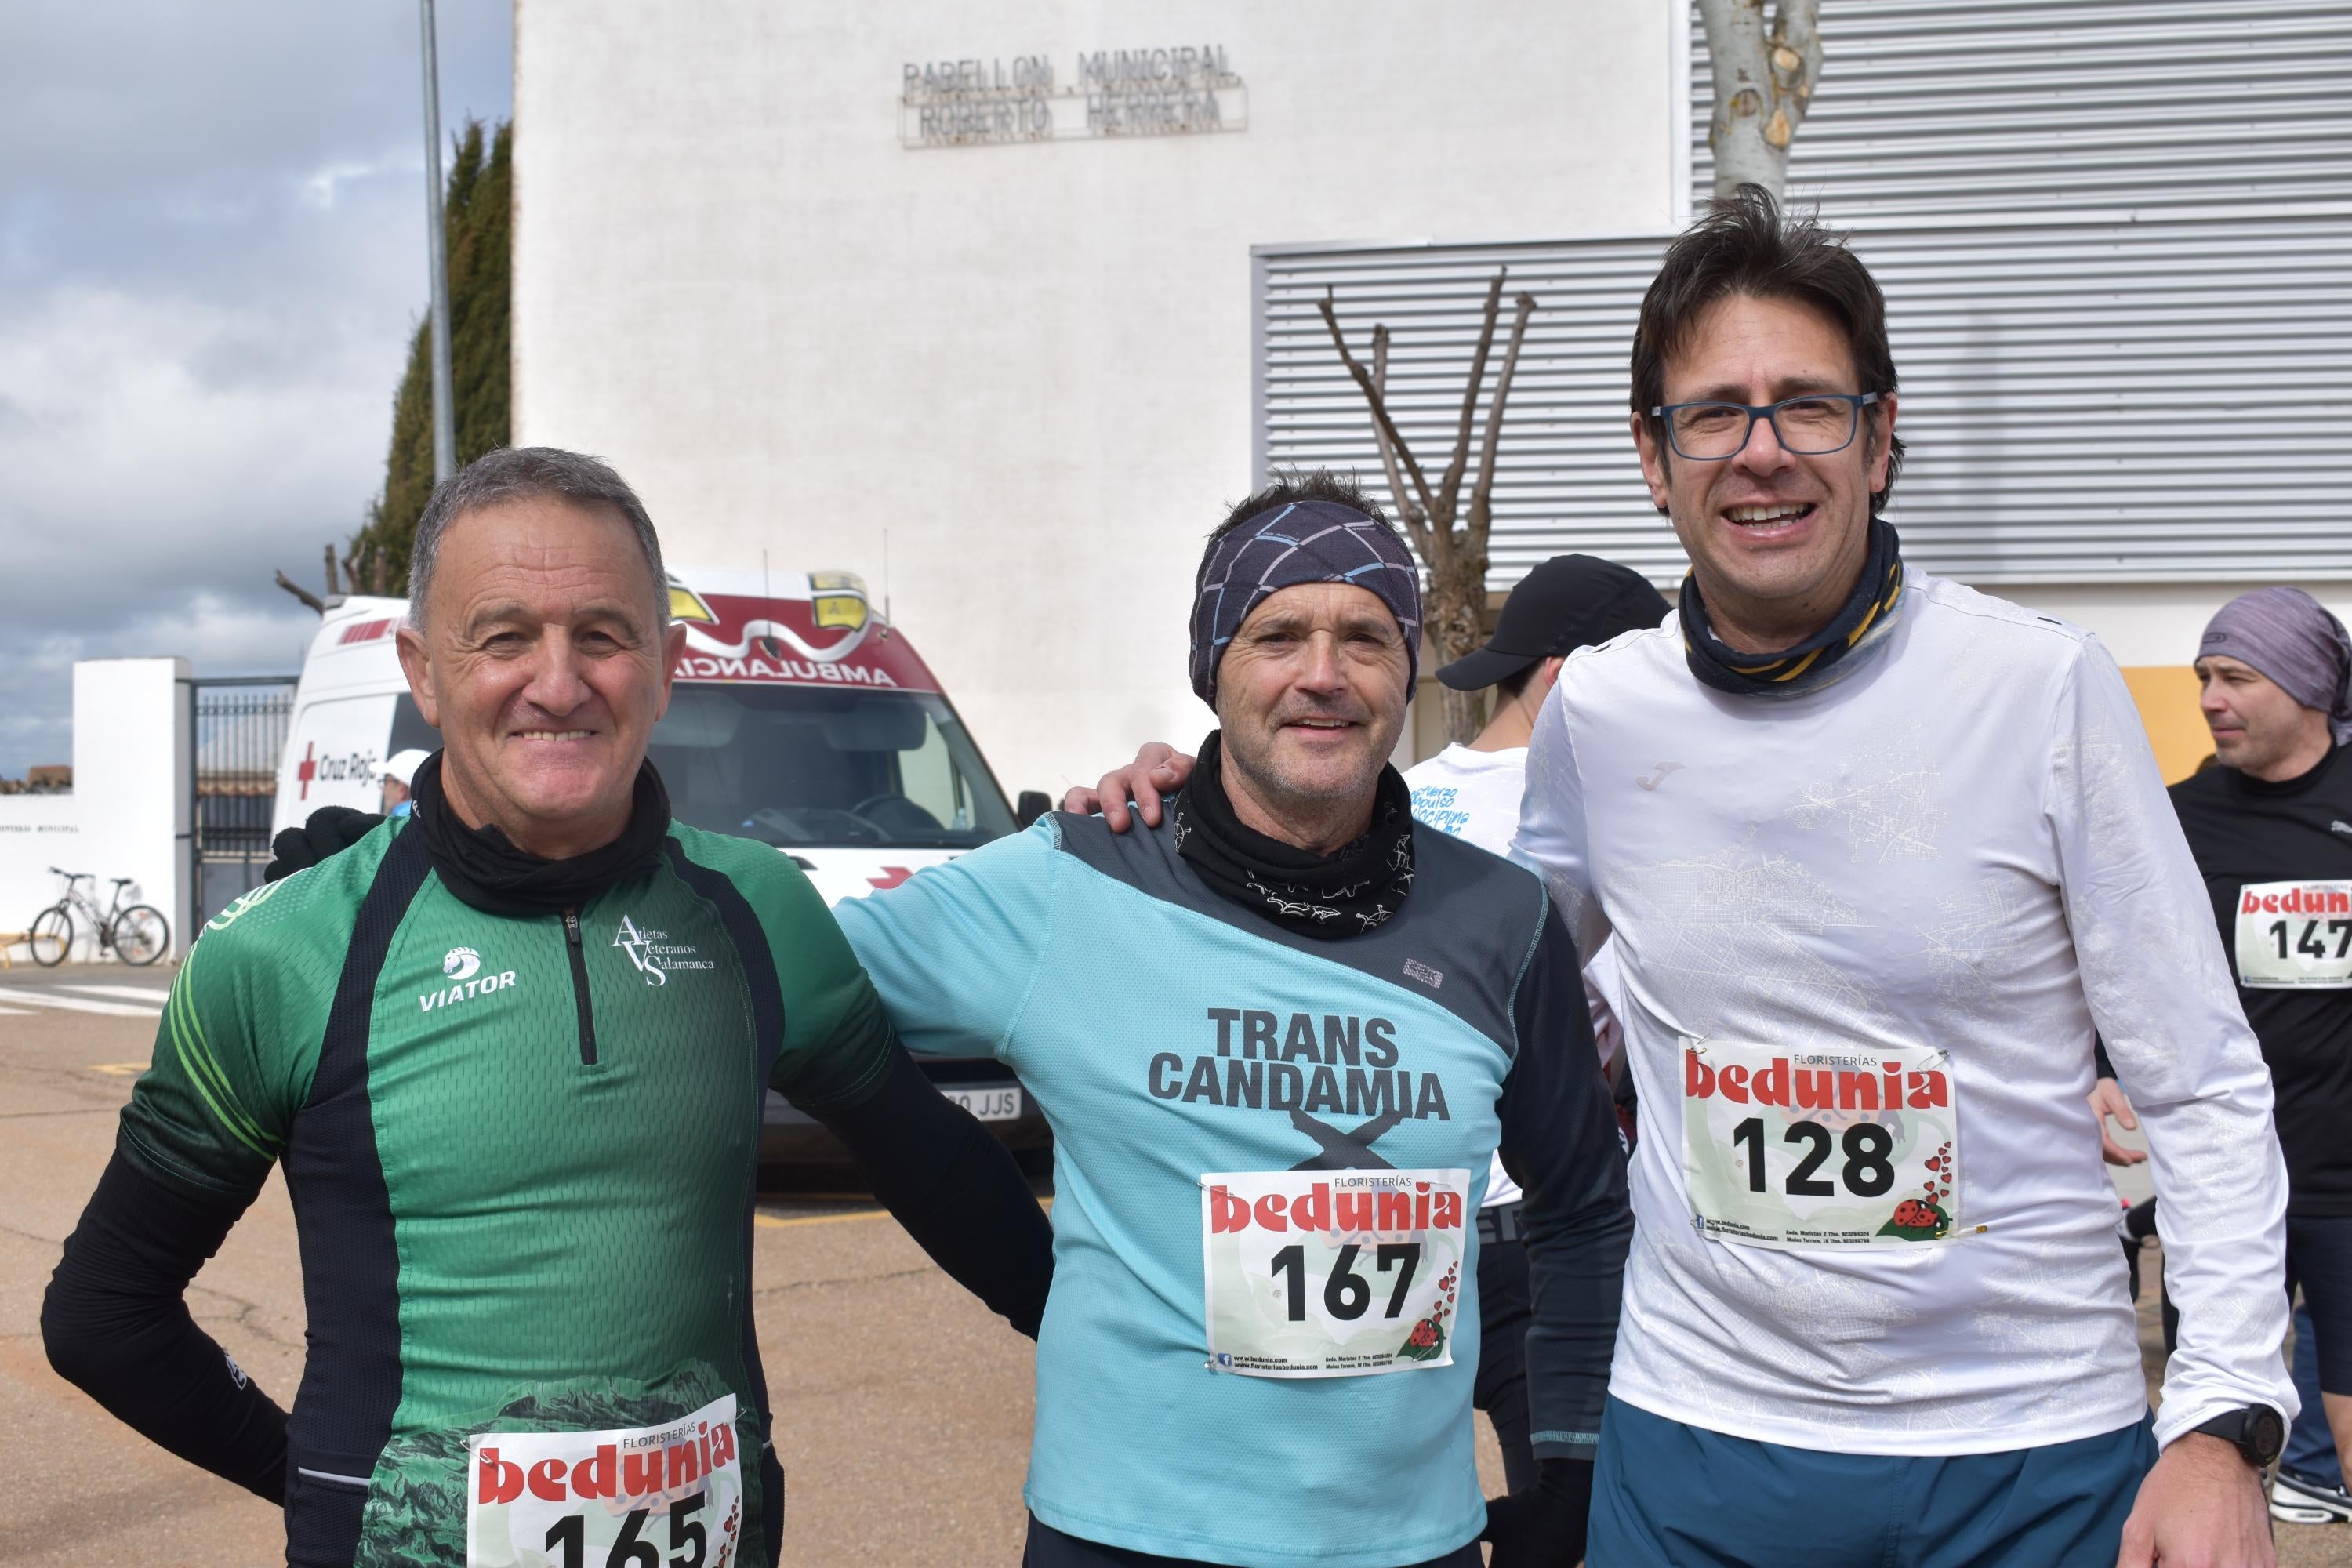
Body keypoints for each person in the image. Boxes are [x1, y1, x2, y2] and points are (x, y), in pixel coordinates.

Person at [1082, 189, 2296, 1567]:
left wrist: (2220, 1422)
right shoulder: (1604, 715)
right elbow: (1466, 954)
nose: (1762, 452)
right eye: (1714, 412)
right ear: (1654, 461)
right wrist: (1199, 815)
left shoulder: (2043, 689)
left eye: (1809, 407)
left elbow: (2200, 1082)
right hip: (1697, 1442)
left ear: (1883, 437)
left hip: (2022, 1450)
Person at [40, 447, 1054, 1568]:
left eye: (603, 636)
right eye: (505, 636)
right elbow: (104, 1315)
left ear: (667, 669)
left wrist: (1132, 1344)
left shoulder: (758, 907)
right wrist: (322, 1487)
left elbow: (943, 1172)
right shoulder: (286, 952)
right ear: (424, 672)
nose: (559, 682)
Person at [836, 474, 1633, 1568]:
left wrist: (1574, 1466)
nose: (1322, 674)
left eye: (1364, 637)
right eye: (1277, 635)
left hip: (1409, 1545)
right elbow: (779, 979)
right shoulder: (1073, 881)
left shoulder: (1503, 916)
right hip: (1122, 1538)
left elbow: (1585, 1206)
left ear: (1409, 670)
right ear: (1212, 669)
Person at [1399, 552, 1668, 1497]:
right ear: (1570, 675)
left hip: (1384, 1219)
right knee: (1566, 1515)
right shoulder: (1604, 817)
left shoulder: (1398, 795)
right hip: (1543, 1234)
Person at [2091, 587, 2352, 1526]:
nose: (2208, 697)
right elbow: (2110, 963)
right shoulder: (2176, 819)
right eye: (2204, 676)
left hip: (2346, 1183)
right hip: (2228, 1186)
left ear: (2309, 684)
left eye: (2235, 676)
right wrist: (2095, 1062)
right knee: (2214, 1449)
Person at [379, 747, 429, 817]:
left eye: (386, 783)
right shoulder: (433, 820)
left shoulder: (397, 825)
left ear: (401, 790)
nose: (383, 791)